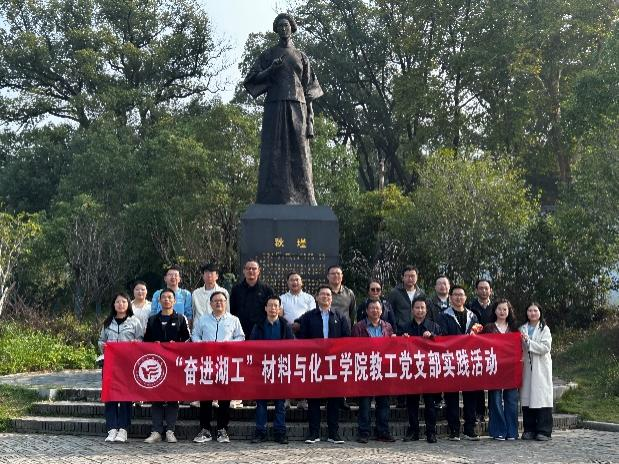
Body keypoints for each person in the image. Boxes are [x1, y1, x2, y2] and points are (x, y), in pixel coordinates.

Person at [243, 13, 323, 205]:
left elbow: (309, 90)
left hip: (298, 106)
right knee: (273, 151)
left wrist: (310, 120)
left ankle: (306, 198)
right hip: (275, 105)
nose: (283, 28)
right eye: (280, 26)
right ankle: (270, 198)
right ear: (276, 30)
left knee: (300, 152)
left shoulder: (301, 56)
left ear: (292, 28)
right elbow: (251, 79)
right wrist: (270, 70)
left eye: (286, 25)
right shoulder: (268, 54)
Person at [296, 285, 351, 444]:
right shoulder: (308, 317)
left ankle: (334, 433)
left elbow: (346, 338)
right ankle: (314, 433)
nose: (325, 297)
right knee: (313, 398)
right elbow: (303, 339)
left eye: (328, 295)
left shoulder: (340, 316)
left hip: (334, 363)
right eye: (322, 294)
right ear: (317, 297)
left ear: (331, 298)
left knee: (334, 399)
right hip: (315, 362)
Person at [191, 291, 245, 444]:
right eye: (215, 301)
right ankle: (205, 430)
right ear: (210, 303)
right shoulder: (203, 320)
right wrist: (203, 345)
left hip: (225, 363)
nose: (218, 303)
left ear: (226, 303)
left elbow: (241, 337)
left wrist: (228, 345)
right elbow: (195, 335)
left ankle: (222, 429)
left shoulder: (234, 320)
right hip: (207, 362)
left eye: (221, 300)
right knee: (205, 398)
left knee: (224, 398)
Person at [143, 288, 191, 444]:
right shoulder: (152, 320)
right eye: (164, 297)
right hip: (156, 364)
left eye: (170, 297)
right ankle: (156, 431)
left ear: (175, 301)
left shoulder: (181, 319)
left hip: (174, 364)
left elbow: (188, 340)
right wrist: (154, 345)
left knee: (172, 397)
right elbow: (145, 342)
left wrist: (176, 345)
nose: (166, 300)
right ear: (159, 300)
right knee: (156, 397)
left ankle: (170, 430)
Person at [98, 292, 143, 443]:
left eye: (124, 301)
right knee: (110, 396)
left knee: (125, 397)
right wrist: (103, 346)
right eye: (117, 302)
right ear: (114, 305)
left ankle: (123, 429)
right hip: (110, 364)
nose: (120, 304)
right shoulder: (107, 322)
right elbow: (101, 340)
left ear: (128, 304)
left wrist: (135, 344)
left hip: (127, 364)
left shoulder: (134, 321)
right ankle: (112, 428)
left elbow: (140, 340)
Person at [437, 285, 480, 441]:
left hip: (469, 360)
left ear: (466, 297)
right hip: (451, 360)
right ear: (450, 297)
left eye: (461, 295)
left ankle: (469, 429)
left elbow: (478, 337)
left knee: (470, 396)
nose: (458, 297)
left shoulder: (473, 316)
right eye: (455, 295)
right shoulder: (443, 316)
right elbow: (442, 336)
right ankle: (454, 430)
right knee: (452, 396)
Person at [249, 296, 294, 444]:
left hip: (280, 368)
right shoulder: (258, 326)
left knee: (280, 403)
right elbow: (252, 346)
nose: (273, 308)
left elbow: (292, 346)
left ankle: (280, 432)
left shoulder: (285, 326)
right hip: (262, 368)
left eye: (276, 305)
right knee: (261, 403)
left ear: (280, 309)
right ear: (265, 308)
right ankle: (260, 432)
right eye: (270, 305)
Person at [351, 300, 395, 443]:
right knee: (365, 403)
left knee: (383, 403)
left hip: (383, 369)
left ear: (381, 311)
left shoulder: (388, 327)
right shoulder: (358, 327)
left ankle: (383, 431)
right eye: (372, 308)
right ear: (366, 310)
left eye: (377, 308)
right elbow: (354, 347)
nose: (375, 310)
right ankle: (364, 432)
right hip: (365, 368)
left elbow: (392, 346)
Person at [401, 296, 443, 443]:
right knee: (412, 403)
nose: (420, 310)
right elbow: (398, 348)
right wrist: (403, 339)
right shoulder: (405, 327)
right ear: (412, 310)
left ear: (426, 310)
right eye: (417, 308)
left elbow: (443, 345)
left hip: (429, 370)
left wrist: (433, 337)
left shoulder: (434, 326)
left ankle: (431, 432)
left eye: (422, 308)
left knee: (430, 403)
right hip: (412, 370)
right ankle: (414, 431)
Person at [482, 299, 519, 440]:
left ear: (509, 311)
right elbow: (482, 346)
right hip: (494, 367)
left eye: (505, 309)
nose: (502, 312)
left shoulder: (515, 328)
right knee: (495, 399)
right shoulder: (489, 327)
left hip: (511, 368)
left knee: (511, 400)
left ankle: (512, 432)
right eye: (499, 309)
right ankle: (498, 431)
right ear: (495, 310)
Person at [520, 303, 553, 441]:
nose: (532, 313)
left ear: (540, 312)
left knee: (541, 397)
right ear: (526, 313)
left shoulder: (544, 329)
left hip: (541, 368)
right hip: (526, 367)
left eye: (535, 310)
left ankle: (544, 431)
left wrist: (529, 343)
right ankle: (529, 429)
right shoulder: (522, 329)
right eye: (530, 310)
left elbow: (545, 347)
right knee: (527, 398)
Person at [467, 278, 494, 423]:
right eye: (481, 288)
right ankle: (479, 411)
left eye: (486, 288)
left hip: (492, 348)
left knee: (492, 379)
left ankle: (493, 411)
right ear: (476, 290)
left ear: (491, 290)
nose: (483, 291)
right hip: (475, 348)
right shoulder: (470, 306)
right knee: (477, 379)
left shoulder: (496, 307)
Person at [388, 265, 426, 335]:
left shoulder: (421, 293)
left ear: (417, 277)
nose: (410, 278)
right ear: (402, 278)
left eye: (412, 276)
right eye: (407, 276)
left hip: (418, 330)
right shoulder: (395, 293)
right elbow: (390, 312)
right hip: (400, 330)